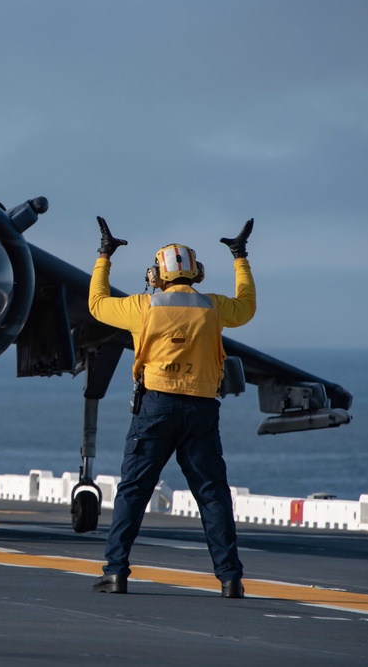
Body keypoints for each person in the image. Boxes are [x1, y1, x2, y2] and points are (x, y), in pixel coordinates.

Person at [88, 216, 255, 598]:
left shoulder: (143, 306)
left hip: (156, 408)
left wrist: (104, 256)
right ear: (196, 273)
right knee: (212, 495)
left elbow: (96, 304)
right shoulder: (213, 307)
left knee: (133, 491)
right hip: (201, 411)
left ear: (157, 273)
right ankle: (230, 579)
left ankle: (115, 573)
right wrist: (240, 257)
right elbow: (247, 307)